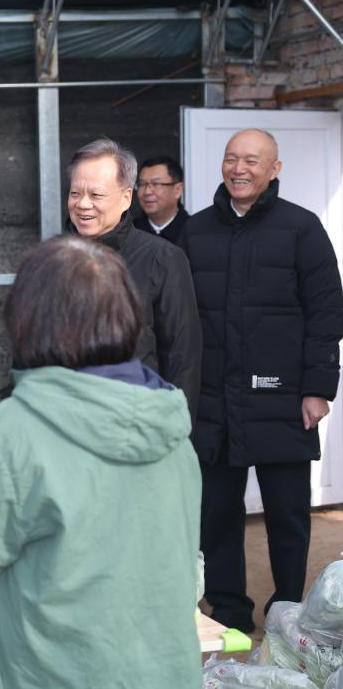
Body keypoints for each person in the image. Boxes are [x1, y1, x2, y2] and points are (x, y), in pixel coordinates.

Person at [0, 236, 202, 689]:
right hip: (164, 670)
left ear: (30, 318)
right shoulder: (169, 421)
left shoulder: (13, 431)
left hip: (48, 672)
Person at [181, 128, 343, 633]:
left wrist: (318, 388)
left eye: (252, 160)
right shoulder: (196, 230)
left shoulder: (301, 227)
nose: (239, 169)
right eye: (231, 158)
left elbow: (326, 312)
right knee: (217, 513)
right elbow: (178, 319)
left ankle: (286, 609)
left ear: (275, 168)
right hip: (213, 400)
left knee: (288, 515)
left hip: (283, 398)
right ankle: (229, 608)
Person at [67, 137, 202, 417]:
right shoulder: (54, 260)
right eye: (75, 193)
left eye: (96, 195)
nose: (83, 204)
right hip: (67, 419)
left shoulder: (162, 258)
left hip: (136, 420)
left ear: (126, 198)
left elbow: (182, 356)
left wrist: (174, 427)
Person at [133, 155, 189, 244]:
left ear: (177, 190)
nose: (147, 192)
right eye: (142, 184)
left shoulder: (193, 232)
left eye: (156, 184)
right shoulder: (130, 233)